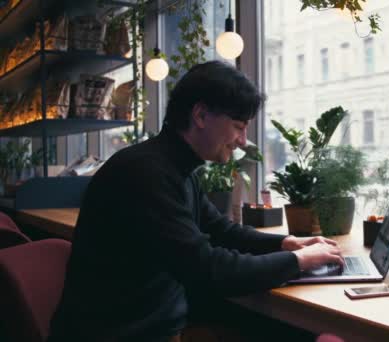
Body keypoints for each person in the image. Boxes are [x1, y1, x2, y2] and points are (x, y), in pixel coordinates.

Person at [47, 61, 344, 342]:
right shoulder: (146, 174)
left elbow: (220, 230)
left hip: (154, 325)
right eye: (239, 126)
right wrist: (298, 262)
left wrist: (286, 244)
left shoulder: (173, 166)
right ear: (200, 116)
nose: (242, 140)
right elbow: (210, 270)